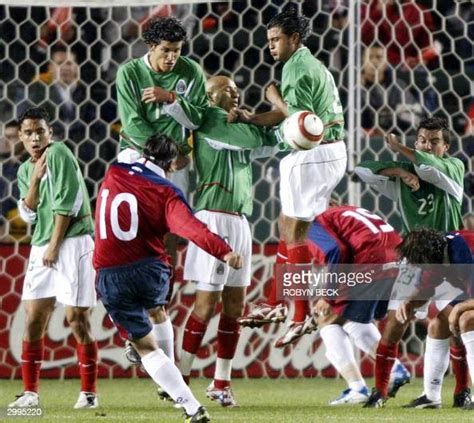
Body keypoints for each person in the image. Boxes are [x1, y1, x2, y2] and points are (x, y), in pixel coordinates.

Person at [93, 133, 243, 422]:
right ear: (172, 164)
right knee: (158, 310)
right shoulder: (166, 192)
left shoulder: (117, 168)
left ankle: (189, 403)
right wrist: (224, 252)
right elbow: (191, 228)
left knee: (145, 347)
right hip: (151, 270)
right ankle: (173, 378)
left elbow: (130, 151)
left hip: (111, 273)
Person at [230, 5, 347, 336]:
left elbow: (302, 121)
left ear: (294, 38)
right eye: (268, 40)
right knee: (292, 226)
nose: (271, 46)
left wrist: (274, 95)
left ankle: (299, 313)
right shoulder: (309, 63)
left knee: (296, 232)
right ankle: (278, 301)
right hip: (328, 153)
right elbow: (292, 117)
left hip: (313, 153)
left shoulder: (295, 68)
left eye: (276, 39)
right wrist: (252, 117)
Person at [178, 75, 278, 407]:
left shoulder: (234, 124)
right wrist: (256, 121)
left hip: (239, 220)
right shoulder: (209, 119)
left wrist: (257, 124)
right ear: (209, 95)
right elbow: (255, 139)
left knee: (235, 306)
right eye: (228, 90)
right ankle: (182, 380)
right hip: (213, 217)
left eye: (237, 91)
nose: (236, 95)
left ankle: (221, 383)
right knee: (206, 305)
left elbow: (273, 143)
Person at [356, 117, 469, 408]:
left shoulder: (454, 168)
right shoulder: (405, 174)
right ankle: (380, 391)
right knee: (396, 322)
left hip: (448, 256)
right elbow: (360, 170)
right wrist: (398, 171)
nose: (427, 146)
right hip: (414, 259)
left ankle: (461, 391)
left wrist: (403, 150)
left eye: (434, 142)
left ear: (446, 147)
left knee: (452, 322)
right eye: (422, 140)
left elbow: (429, 167)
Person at [116, 15, 208, 370]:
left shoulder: (190, 71)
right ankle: (135, 325)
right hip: (138, 160)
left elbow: (199, 118)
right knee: (133, 239)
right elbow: (134, 123)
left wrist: (171, 98)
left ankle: (155, 313)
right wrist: (164, 156)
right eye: (166, 51)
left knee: (167, 240)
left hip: (172, 165)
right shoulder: (130, 73)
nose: (172, 58)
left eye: (177, 51)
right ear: (151, 48)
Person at [8, 107, 99, 409]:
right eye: (28, 133)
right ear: (20, 137)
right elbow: (28, 212)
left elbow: (69, 202)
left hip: (72, 243)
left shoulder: (59, 152)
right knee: (33, 318)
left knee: (77, 318)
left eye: (40, 131)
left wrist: (54, 246)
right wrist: (34, 180)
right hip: (42, 244)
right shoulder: (24, 170)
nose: (35, 138)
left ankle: (88, 393)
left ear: (51, 133)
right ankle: (30, 393)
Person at [310, 205, 410, 405]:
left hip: (371, 259)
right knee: (351, 319)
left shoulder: (313, 222)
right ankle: (392, 369)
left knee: (327, 318)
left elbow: (337, 251)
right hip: (398, 258)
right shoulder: (348, 211)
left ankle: (359, 387)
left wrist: (328, 295)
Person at [364, 228, 473, 408]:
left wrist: (459, 308)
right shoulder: (436, 254)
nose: (420, 268)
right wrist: (409, 302)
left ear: (427, 259)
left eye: (420, 264)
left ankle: (464, 391)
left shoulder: (463, 253)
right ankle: (431, 397)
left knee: (467, 319)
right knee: (437, 326)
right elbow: (427, 288)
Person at [361, 44, 422, 134]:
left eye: (379, 57)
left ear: (386, 63)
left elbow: (415, 116)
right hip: (363, 139)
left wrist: (389, 129)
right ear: (363, 62)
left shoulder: (398, 85)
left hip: (395, 137)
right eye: (370, 57)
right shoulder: (352, 87)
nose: (374, 61)